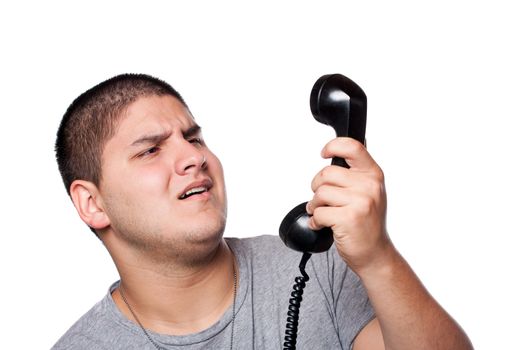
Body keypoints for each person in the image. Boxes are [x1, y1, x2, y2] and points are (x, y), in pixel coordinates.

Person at [52, 73, 473, 349]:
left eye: (194, 139)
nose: (194, 158)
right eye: (151, 150)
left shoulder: (321, 270)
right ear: (93, 203)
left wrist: (377, 257)